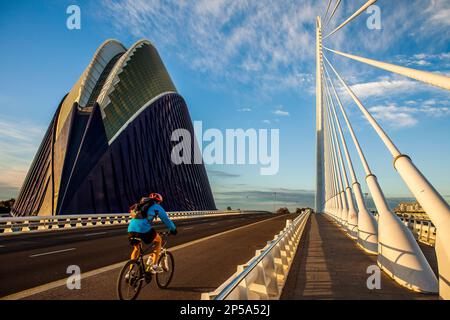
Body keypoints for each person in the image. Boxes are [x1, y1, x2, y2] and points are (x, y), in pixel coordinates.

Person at [127, 193, 177, 273]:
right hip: (144, 229)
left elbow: (132, 212)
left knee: (136, 249)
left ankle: (130, 272)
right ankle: (154, 266)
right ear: (158, 201)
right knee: (158, 240)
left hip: (131, 229)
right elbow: (166, 220)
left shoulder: (140, 204)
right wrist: (173, 229)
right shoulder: (157, 207)